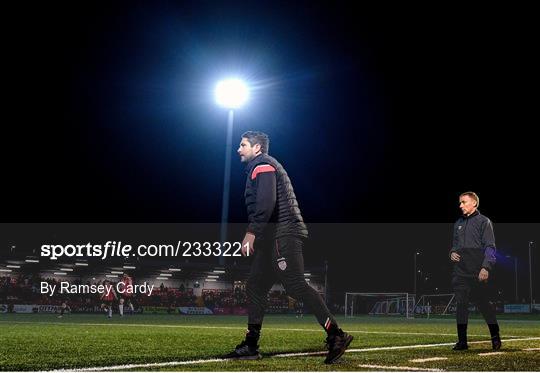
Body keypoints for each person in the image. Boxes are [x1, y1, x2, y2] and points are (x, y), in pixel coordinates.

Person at [223, 131, 353, 364]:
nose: (238, 149)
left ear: (257, 148)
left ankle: (336, 335)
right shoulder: (259, 166)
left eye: (243, 145)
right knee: (255, 284)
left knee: (295, 285)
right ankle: (251, 345)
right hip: (271, 236)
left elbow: (266, 202)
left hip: (282, 233)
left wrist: (251, 232)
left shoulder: (262, 164)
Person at [449, 192, 501, 350]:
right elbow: (454, 245)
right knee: (461, 305)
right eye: (460, 202)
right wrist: (451, 253)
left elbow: (490, 247)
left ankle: (495, 336)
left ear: (474, 203)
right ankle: (462, 341)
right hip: (460, 273)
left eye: (463, 202)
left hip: (477, 272)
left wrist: (486, 267)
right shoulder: (457, 223)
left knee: (484, 305)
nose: (460, 205)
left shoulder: (484, 222)